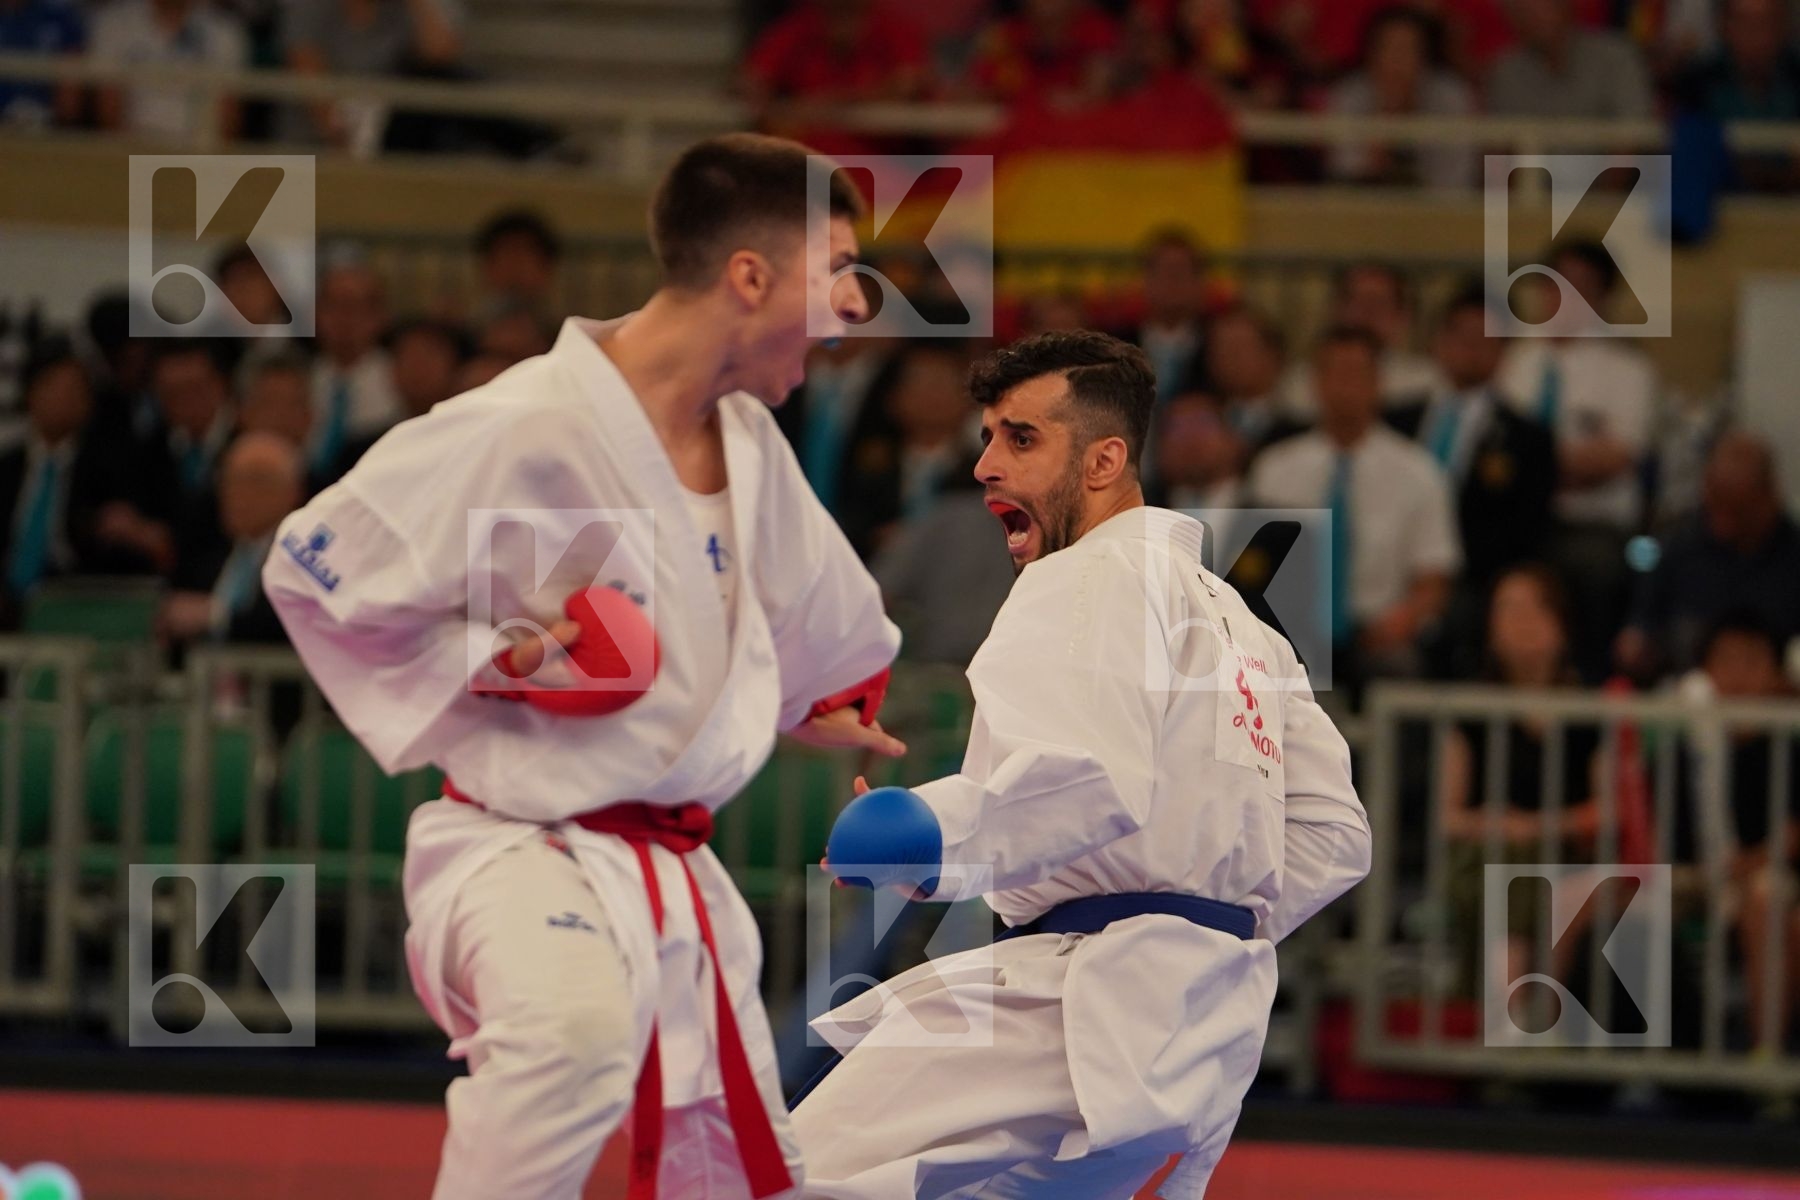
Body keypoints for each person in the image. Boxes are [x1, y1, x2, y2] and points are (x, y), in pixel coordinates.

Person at [263, 133, 906, 1200]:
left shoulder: (750, 443)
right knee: (570, 1039)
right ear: (749, 276)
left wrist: (824, 703)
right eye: (834, 269)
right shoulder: (521, 423)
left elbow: (824, 625)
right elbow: (314, 575)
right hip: (515, 846)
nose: (852, 307)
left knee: (733, 1165)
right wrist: (498, 662)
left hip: (673, 870)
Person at [793, 330, 1368, 1198]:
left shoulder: (1087, 574)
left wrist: (929, 835)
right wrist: (1205, 914)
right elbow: (1336, 835)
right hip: (1205, 1029)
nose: (986, 463)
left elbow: (1087, 780)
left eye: (1020, 438)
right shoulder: (1245, 627)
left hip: (1082, 1002)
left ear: (1103, 461)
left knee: (781, 1175)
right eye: (987, 435)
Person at [1253, 326, 1462, 682]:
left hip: (1380, 630)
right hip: (1290, 631)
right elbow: (1252, 565)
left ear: (1378, 383)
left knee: (1401, 669)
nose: (1344, 386)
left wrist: (1400, 621)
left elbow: (1434, 578)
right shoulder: (1275, 468)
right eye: (1334, 373)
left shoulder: (1419, 472)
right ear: (1316, 383)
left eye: (1356, 374)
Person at [1438, 565, 1601, 996]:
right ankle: (1515, 1018)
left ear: (1562, 624)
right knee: (1508, 870)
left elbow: (1607, 811)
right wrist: (1498, 825)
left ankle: (1514, 1017)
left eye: (1535, 608)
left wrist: (1534, 826)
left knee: (1530, 872)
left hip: (1568, 856)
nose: (1522, 622)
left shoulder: (1591, 711)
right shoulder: (1470, 712)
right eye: (1508, 609)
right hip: (1488, 856)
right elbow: (1448, 819)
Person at [1389, 286, 1556, 672]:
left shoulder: (1527, 438)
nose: (1470, 348)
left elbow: (1526, 530)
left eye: (1484, 339)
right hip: (1392, 571)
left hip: (1472, 581)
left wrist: (1442, 574)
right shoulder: (1396, 420)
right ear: (1439, 342)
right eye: (1460, 336)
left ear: (1504, 350)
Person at [1618, 431, 1800, 679]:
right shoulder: (1678, 546)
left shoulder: (1793, 557)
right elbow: (1642, 625)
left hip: (1776, 702)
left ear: (1768, 497)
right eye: (1715, 504)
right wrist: (1637, 645)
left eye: (1737, 509)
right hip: (1687, 695)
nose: (1722, 524)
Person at [158, 431, 302, 648]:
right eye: (228, 479)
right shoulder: (206, 556)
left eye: (254, 480)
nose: (237, 492)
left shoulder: (303, 562)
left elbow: (288, 626)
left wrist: (215, 617)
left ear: (293, 492)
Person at [1327, 6, 1478, 190]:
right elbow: (1344, 178)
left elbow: (1457, 181)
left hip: (1436, 212)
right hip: (1366, 211)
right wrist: (1381, 133)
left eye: (1406, 49)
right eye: (1388, 49)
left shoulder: (1449, 97)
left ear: (1424, 58)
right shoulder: (1350, 95)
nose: (1397, 62)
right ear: (1371, 55)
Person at [90, 0, 248, 144]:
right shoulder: (114, 23)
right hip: (131, 149)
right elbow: (108, 108)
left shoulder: (225, 30)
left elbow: (228, 113)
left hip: (198, 151)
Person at [308, 256, 401, 482]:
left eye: (356, 306)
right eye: (334, 305)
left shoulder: (399, 381)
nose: (345, 318)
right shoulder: (299, 377)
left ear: (380, 316)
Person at [1488, 0, 1655, 119]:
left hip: (1612, 168)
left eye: (1543, 6)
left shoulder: (1617, 57)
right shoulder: (1505, 72)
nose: (1534, 18)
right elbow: (1500, 151)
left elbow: (1634, 139)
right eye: (1523, 11)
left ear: (1567, 6)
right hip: (1533, 168)